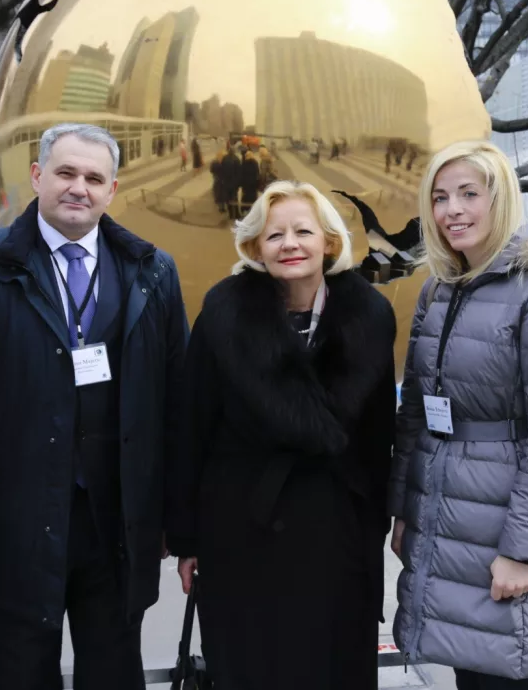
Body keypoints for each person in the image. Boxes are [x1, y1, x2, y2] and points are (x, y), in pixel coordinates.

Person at [0, 123, 188, 690]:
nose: (78, 187)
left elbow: (176, 401)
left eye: (93, 178)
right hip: (14, 517)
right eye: (65, 173)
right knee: (18, 669)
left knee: (112, 668)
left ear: (112, 190)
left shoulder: (152, 271)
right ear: (37, 177)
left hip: (117, 522)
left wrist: (179, 521)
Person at [167, 180, 397, 690]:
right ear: (255, 247)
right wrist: (186, 538)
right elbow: (192, 427)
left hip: (337, 530)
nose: (289, 244)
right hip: (242, 527)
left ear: (329, 243)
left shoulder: (370, 317)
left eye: (302, 231)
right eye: (274, 236)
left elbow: (380, 435)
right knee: (253, 669)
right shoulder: (224, 314)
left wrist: (374, 528)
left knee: (333, 668)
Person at [389, 141, 528, 689]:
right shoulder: (440, 287)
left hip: (502, 517)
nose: (452, 209)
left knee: (499, 676)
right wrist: (403, 510)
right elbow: (414, 410)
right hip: (445, 511)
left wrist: (521, 552)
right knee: (468, 670)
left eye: (467, 194)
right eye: (439, 197)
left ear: (499, 199)